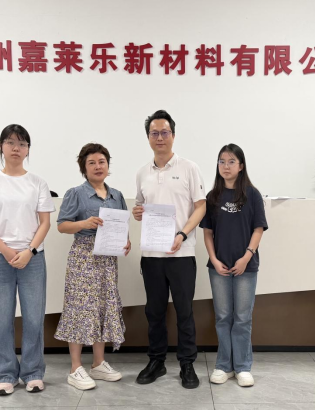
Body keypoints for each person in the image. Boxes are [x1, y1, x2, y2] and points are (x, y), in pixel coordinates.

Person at [0, 124, 56, 396]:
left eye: (22, 143)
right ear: (1, 147)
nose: (16, 148)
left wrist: (29, 251)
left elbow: (45, 223)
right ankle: (6, 374)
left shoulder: (38, 183)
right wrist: (7, 251)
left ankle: (33, 373)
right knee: (0, 320)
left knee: (33, 319)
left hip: (33, 259)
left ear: (28, 149)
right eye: (10, 142)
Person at [132, 110, 207, 390]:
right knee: (154, 311)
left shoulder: (189, 168)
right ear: (148, 137)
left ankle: (187, 363)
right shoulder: (142, 172)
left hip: (181, 253)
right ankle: (157, 361)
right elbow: (140, 206)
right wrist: (137, 212)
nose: (160, 138)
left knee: (184, 311)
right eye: (154, 133)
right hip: (151, 255)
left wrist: (182, 233)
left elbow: (201, 206)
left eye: (164, 132)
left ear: (173, 135)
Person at [55, 143, 131, 391]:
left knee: (103, 306)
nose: (98, 166)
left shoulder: (117, 195)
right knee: (79, 307)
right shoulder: (75, 193)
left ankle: (98, 364)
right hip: (83, 256)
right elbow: (62, 225)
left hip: (108, 258)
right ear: (84, 168)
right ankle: (75, 368)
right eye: (92, 163)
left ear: (108, 165)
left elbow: (123, 225)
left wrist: (126, 241)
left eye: (102, 162)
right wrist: (84, 223)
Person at [200, 144, 268, 388]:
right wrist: (214, 260)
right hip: (218, 267)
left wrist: (246, 257)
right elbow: (207, 233)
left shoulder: (252, 195)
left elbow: (258, 229)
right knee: (223, 316)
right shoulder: (212, 197)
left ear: (241, 166)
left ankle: (243, 367)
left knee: (242, 318)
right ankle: (223, 366)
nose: (226, 166)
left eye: (231, 161)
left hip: (245, 267)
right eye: (222, 161)